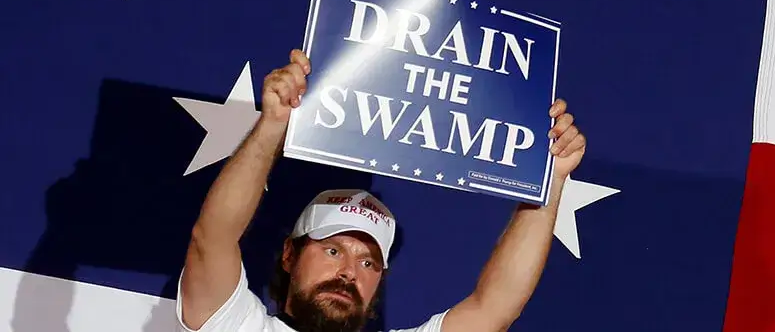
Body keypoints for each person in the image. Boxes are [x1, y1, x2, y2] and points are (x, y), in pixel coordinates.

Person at [176, 48, 586, 332]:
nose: (348, 273)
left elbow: (495, 307)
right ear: (289, 254)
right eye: (333, 250)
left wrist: (550, 181)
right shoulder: (236, 324)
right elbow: (212, 239)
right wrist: (272, 127)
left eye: (368, 263)